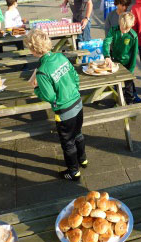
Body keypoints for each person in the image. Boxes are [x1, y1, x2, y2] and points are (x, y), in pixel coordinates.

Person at [25, 29, 87, 181]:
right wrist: (74, 92)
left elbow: (49, 96)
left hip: (64, 111)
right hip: (77, 103)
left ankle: (74, 172)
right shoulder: (60, 56)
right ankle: (83, 159)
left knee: (67, 142)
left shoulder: (42, 72)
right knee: (78, 133)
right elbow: (74, 76)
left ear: (33, 50)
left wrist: (36, 88)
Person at [103, 12, 138, 105]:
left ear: (132, 25)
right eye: (123, 28)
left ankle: (130, 99)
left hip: (127, 63)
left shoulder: (133, 36)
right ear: (119, 23)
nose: (125, 31)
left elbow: (134, 55)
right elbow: (106, 42)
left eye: (127, 29)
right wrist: (107, 56)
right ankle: (117, 98)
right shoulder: (113, 30)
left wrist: (131, 69)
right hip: (115, 60)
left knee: (128, 83)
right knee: (116, 81)